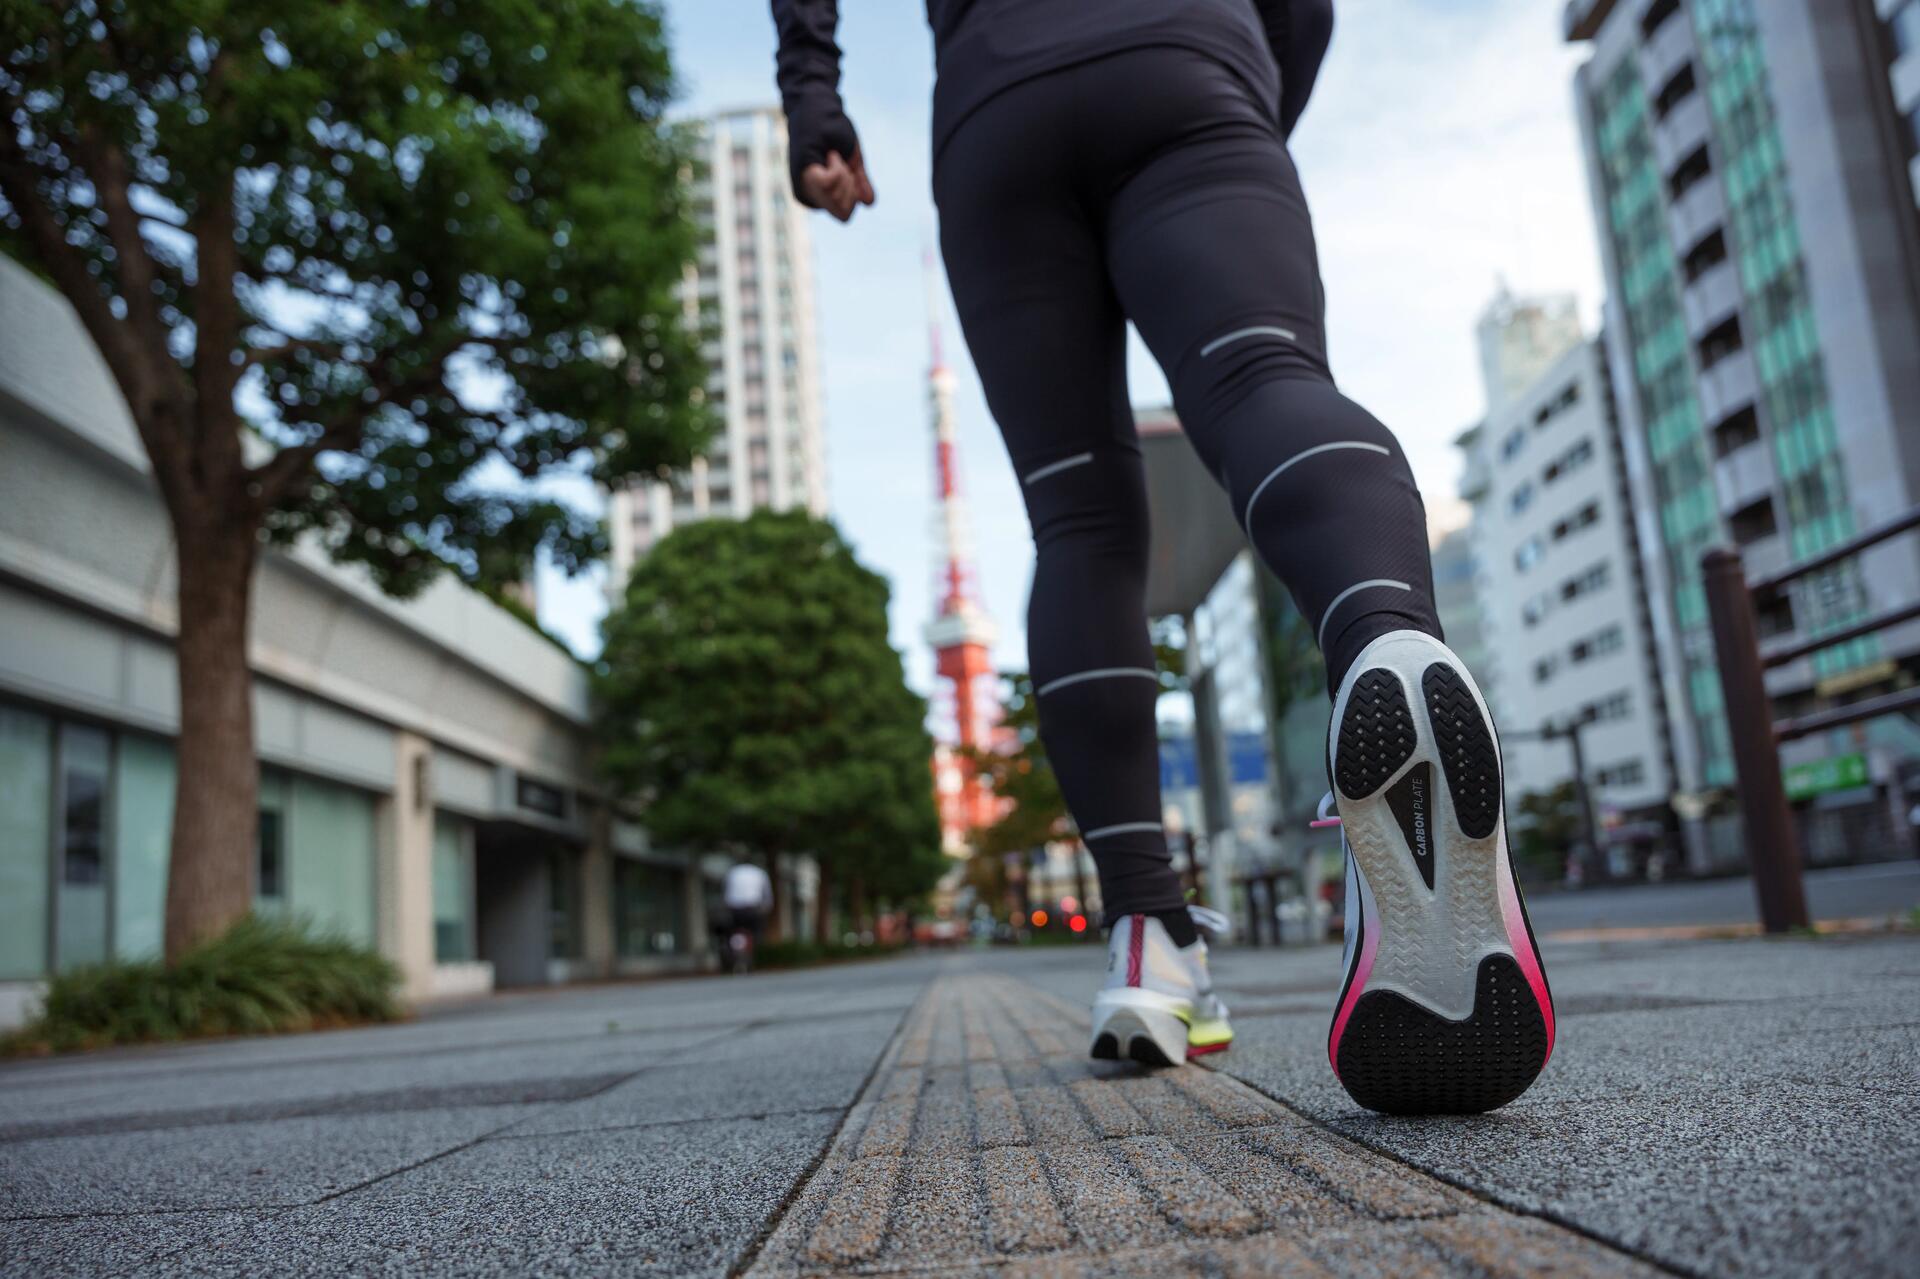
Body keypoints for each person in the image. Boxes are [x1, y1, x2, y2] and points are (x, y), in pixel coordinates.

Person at [769, 0, 1554, 1113]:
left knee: (1077, 518)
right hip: (1184, 62)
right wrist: (1247, 81)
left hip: (995, 115)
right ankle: (1384, 638)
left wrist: (816, 103)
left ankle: (1148, 937)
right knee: (1264, 382)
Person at [720, 860, 775, 966]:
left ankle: (731, 949)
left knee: (731, 931)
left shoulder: (731, 872)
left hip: (734, 909)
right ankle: (752, 951)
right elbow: (767, 895)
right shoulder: (760, 872)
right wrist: (767, 907)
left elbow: (725, 891)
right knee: (756, 931)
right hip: (752, 907)